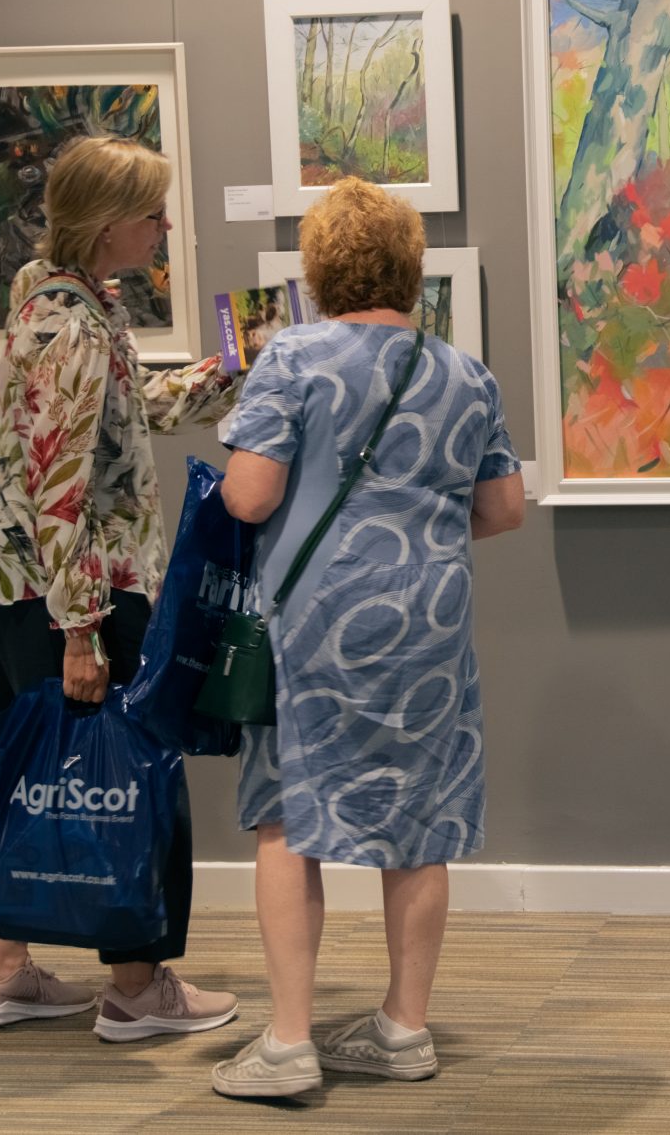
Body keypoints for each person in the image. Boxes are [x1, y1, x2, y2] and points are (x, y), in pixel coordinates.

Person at [207, 178, 526, 1102]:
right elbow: (501, 509)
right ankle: (404, 1026)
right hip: (428, 620)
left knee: (286, 817)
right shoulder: (464, 371)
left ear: (317, 269)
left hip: (312, 620)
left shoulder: (293, 357)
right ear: (411, 266)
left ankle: (290, 1040)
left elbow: (251, 496)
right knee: (420, 821)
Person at [0, 135, 244, 1042]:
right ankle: (135, 983)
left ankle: (0, 972)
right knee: (112, 777)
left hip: (5, 575)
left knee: (36, 770)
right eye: (152, 211)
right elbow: (59, 486)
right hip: (68, 583)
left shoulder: (58, 301)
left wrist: (235, 366)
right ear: (108, 221)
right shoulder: (74, 328)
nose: (164, 225)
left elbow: (135, 409)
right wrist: (80, 630)